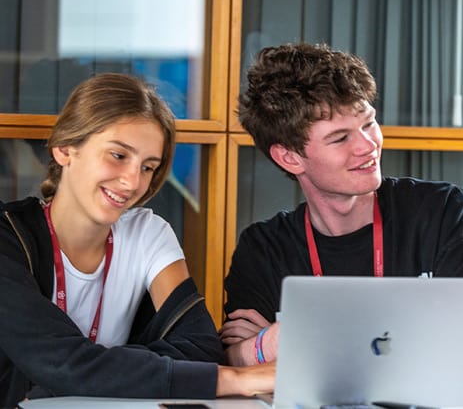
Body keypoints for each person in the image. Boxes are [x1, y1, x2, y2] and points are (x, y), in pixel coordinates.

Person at [0, 73, 274, 406]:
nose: (132, 182)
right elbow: (61, 362)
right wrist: (237, 379)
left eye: (148, 167)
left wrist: (89, 372)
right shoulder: (6, 237)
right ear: (65, 149)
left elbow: (201, 349)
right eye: (118, 155)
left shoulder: (148, 233)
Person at [220, 42, 463, 367]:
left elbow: (462, 347)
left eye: (368, 123)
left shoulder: (444, 212)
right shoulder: (263, 248)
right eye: (340, 138)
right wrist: (262, 347)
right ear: (289, 157)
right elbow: (237, 360)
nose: (368, 146)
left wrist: (296, 339)